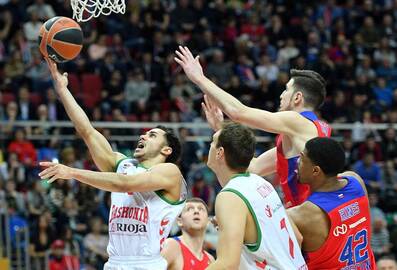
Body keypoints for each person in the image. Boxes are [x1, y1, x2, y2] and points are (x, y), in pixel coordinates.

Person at [40, 58, 187, 270]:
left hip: (146, 264)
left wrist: (71, 172)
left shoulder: (170, 172)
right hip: (115, 263)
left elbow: (124, 184)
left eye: (152, 135)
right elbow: (88, 132)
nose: (144, 136)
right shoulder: (123, 164)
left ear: (167, 150)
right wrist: (63, 91)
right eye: (145, 134)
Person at [175, 46, 331, 208]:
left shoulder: (297, 121)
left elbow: (238, 112)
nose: (281, 95)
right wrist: (221, 130)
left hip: (309, 216)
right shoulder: (309, 131)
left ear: (297, 97)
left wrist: (199, 79)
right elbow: (253, 168)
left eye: (286, 90)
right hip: (307, 214)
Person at [205, 122, 307, 269]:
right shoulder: (261, 183)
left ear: (220, 152)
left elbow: (227, 264)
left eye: (212, 143)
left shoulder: (230, 196)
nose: (209, 146)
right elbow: (297, 237)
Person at [287, 137, 376, 269]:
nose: (298, 162)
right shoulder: (356, 180)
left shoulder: (301, 215)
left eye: (302, 158)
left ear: (316, 170)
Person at [161, 197, 214, 270]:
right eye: (189, 209)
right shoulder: (172, 246)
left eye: (201, 209)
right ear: (179, 221)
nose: (196, 211)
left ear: (208, 221)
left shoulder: (210, 260)